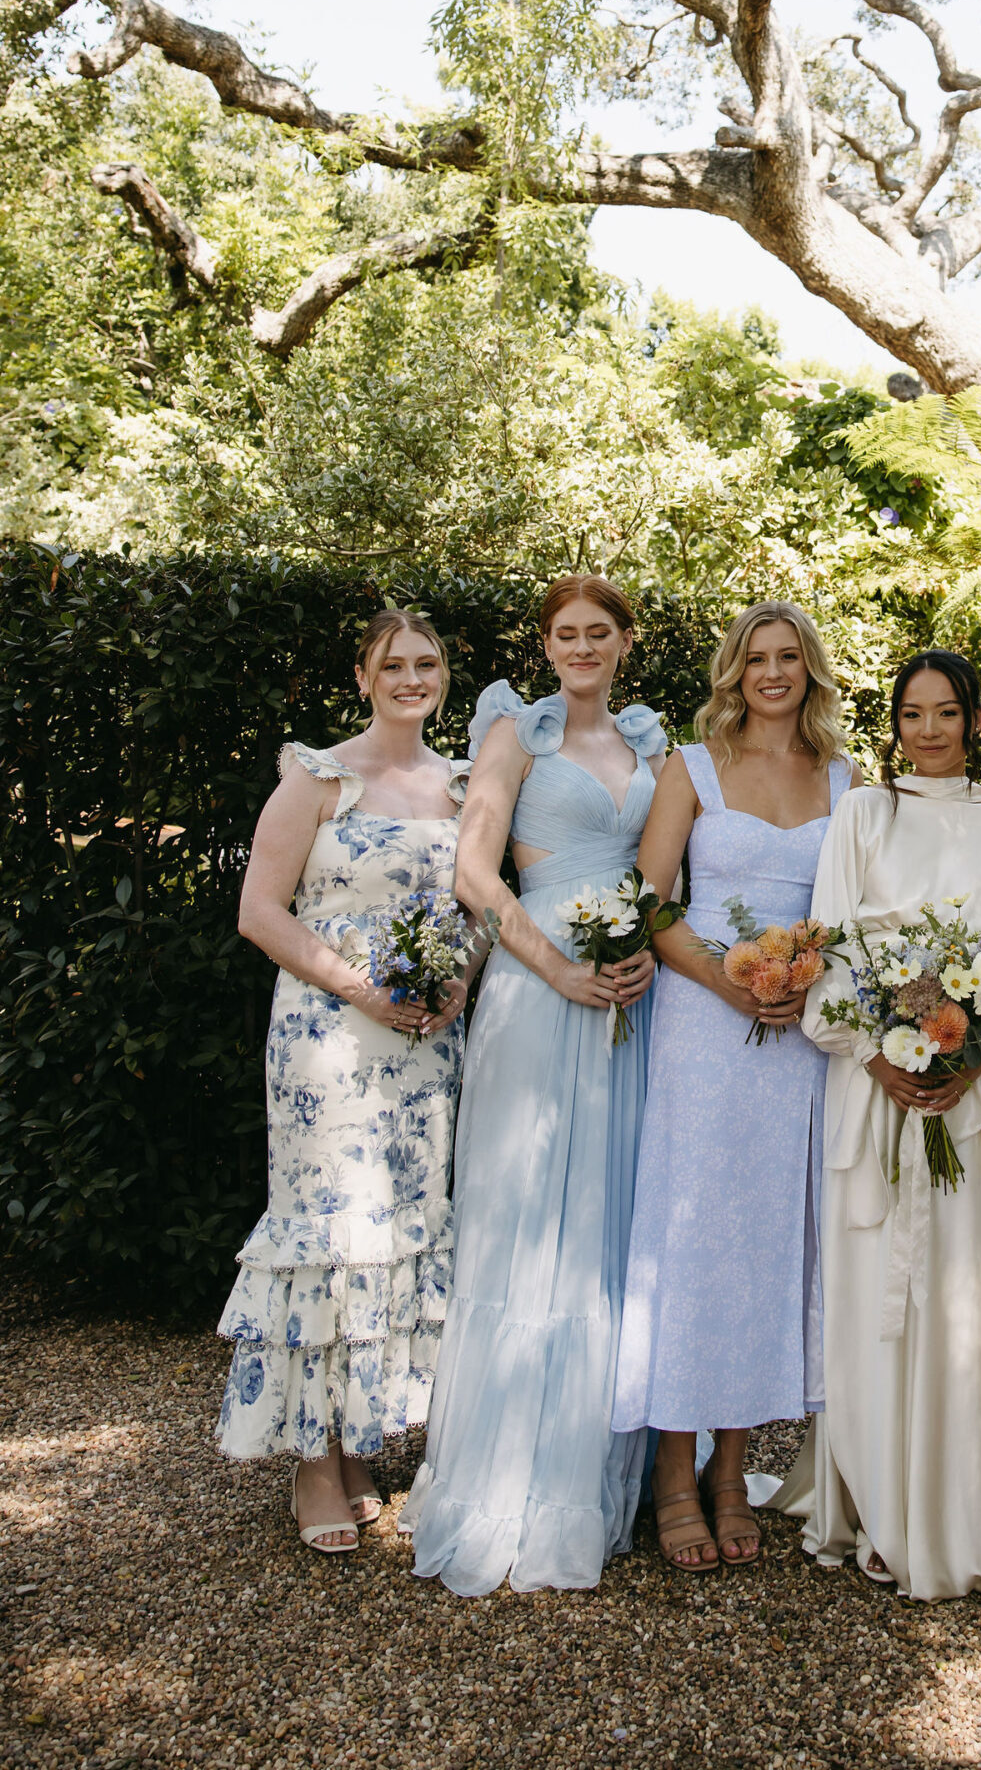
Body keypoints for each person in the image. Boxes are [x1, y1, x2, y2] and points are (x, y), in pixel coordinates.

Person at [404, 574, 665, 1595]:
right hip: (535, 978)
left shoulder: (650, 742)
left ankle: (602, 1473)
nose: (584, 647)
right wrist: (554, 964)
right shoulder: (517, 731)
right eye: (568, 633)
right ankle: (503, 1471)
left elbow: (661, 865)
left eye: (601, 631)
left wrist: (642, 944)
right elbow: (476, 870)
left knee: (606, 1214)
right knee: (527, 1205)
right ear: (548, 643)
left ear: (624, 642)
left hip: (628, 988)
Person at [777, 650, 981, 1601]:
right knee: (870, 1299)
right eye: (911, 714)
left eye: (945, 713)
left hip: (964, 1099)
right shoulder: (863, 814)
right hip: (870, 1082)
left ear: (972, 720)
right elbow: (831, 944)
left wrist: (967, 1053)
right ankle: (878, 1505)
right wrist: (879, 1053)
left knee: (956, 1300)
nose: (927, 731)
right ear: (892, 722)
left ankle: (951, 1514)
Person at [216, 611, 471, 1557]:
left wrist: (459, 982)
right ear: (361, 676)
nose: (412, 678)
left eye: (427, 664)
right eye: (393, 665)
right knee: (329, 1235)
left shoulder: (461, 783)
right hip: (328, 1044)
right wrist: (359, 987)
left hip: (424, 1047)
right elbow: (258, 912)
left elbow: (478, 905)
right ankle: (315, 1462)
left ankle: (361, 1439)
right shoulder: (317, 776)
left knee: (400, 1231)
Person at [612, 602, 857, 1570]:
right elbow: (649, 898)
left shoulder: (844, 780)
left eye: (788, 656)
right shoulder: (693, 764)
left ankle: (732, 1469)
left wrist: (804, 983)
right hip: (703, 1027)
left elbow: (854, 909)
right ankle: (674, 1472)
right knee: (693, 1236)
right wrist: (733, 981)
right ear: (733, 670)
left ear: (810, 670)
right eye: (755, 657)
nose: (770, 672)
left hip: (797, 1040)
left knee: (766, 1243)